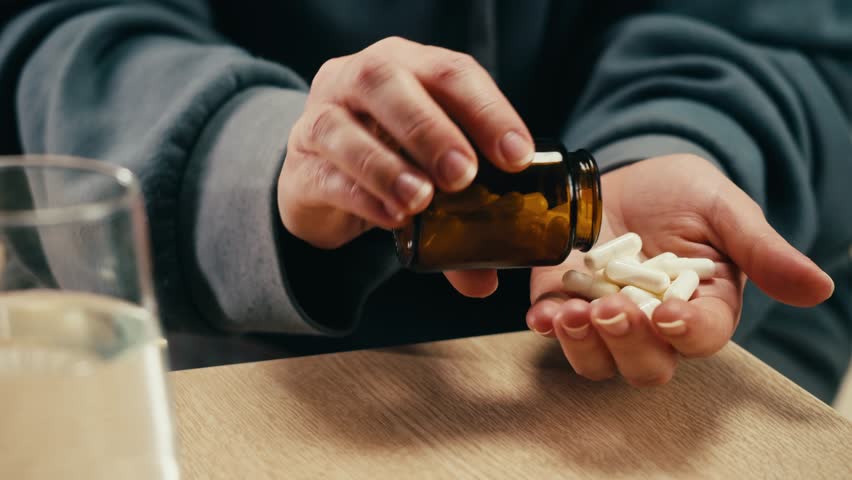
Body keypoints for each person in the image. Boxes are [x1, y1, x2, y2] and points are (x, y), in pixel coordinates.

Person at [0, 1, 848, 402]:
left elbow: (784, 31)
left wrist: (679, 141)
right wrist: (271, 161)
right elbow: (65, 33)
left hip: (698, 353)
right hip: (250, 352)